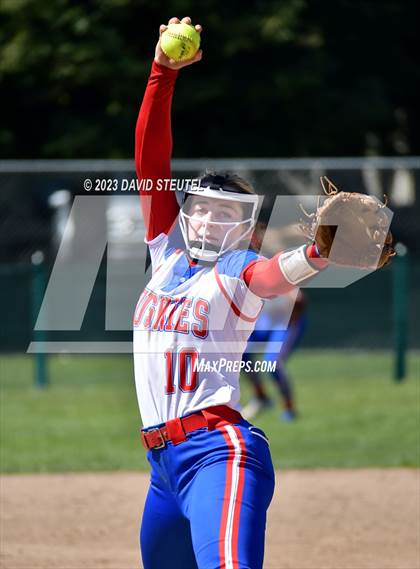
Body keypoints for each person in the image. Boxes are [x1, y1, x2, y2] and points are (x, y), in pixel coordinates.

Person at [133, 16, 392, 569]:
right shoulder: (166, 254)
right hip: (163, 468)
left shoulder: (237, 270)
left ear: (246, 229)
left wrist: (319, 255)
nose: (207, 218)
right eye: (201, 206)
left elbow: (274, 275)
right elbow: (150, 163)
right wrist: (162, 73)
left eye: (224, 211)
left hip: (218, 456)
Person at [241, 289, 307, 422]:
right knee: (240, 351)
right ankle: (261, 397)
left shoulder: (282, 276)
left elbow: (299, 300)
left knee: (272, 363)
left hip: (286, 322)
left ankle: (289, 408)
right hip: (267, 318)